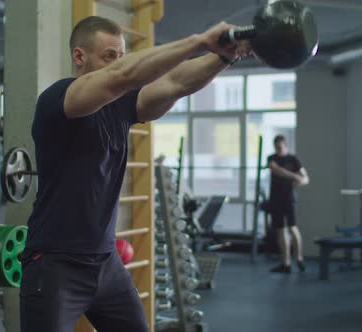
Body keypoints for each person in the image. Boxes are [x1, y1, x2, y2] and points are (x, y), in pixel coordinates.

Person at [20, 16, 251, 332]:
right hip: (55, 264)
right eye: (108, 56)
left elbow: (176, 83)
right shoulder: (59, 100)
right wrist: (200, 41)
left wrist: (225, 57)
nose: (117, 63)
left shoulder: (120, 107)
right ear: (79, 57)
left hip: (105, 264)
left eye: (120, 54)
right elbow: (122, 76)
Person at [267, 135, 309, 273]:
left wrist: (300, 180)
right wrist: (295, 176)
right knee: (280, 230)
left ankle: (299, 258)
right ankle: (286, 263)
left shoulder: (293, 159)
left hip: (289, 198)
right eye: (276, 148)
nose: (278, 150)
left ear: (285, 146)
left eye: (280, 147)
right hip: (276, 198)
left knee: (293, 228)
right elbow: (277, 170)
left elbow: (306, 178)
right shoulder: (272, 158)